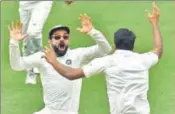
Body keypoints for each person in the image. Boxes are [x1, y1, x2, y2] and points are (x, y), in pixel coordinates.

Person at [42, 2, 162, 114]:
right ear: (133, 45)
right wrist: (155, 24)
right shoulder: (143, 60)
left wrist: (53, 61)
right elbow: (158, 50)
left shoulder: (107, 62)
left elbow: (70, 74)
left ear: (115, 45)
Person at [8, 14, 112, 114]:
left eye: (65, 37)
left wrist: (92, 32)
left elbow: (106, 49)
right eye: (57, 37)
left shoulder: (78, 55)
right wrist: (14, 42)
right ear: (50, 41)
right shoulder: (42, 57)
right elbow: (17, 65)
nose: (62, 39)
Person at [19, 0, 73, 84]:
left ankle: (38, 61)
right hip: (25, 3)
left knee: (33, 32)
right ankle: (30, 70)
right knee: (26, 37)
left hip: (42, 2)